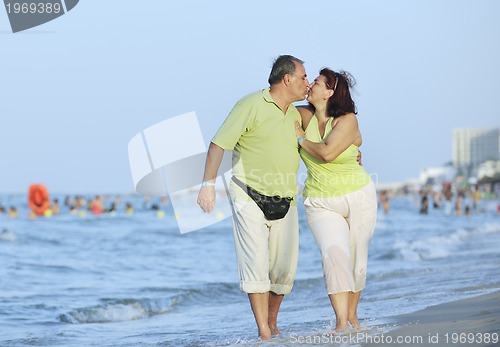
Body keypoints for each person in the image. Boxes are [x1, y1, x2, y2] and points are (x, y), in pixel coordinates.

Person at [197, 55, 309, 340]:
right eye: (303, 78)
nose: (306, 84)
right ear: (287, 79)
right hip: (249, 194)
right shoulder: (250, 104)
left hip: (286, 198)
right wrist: (207, 185)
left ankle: (272, 323)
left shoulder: (296, 115)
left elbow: (321, 133)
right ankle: (264, 332)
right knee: (256, 266)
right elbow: (218, 143)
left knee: (283, 272)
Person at [294, 68, 377, 333]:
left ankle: (353, 318)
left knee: (356, 259)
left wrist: (300, 139)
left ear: (330, 92)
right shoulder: (302, 115)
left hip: (358, 196)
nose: (310, 86)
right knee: (334, 257)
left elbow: (328, 153)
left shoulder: (347, 119)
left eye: (316, 82)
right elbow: (276, 109)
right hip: (320, 200)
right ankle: (341, 323)